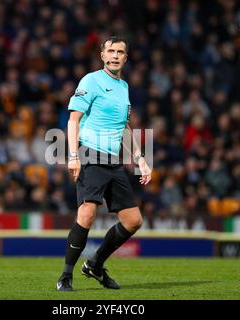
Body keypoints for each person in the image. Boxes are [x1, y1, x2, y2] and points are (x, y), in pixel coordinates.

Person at [56, 36, 152, 292]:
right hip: (90, 153)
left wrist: (141, 160)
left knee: (133, 221)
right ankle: (65, 276)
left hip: (113, 160)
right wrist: (73, 155)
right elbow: (73, 120)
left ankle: (95, 265)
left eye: (120, 51)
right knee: (86, 214)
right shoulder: (91, 80)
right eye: (111, 50)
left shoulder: (124, 87)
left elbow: (124, 129)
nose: (115, 55)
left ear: (126, 58)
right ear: (102, 55)